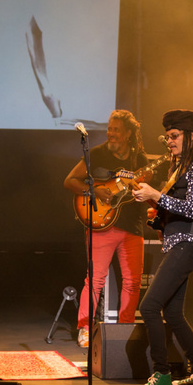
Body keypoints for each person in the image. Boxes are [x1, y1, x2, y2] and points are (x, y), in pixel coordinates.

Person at [126, 109, 193, 385]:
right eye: (167, 137)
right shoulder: (180, 168)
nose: (169, 141)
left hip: (189, 244)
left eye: (174, 136)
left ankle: (162, 374)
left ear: (191, 136)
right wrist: (155, 211)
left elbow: (192, 209)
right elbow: (175, 208)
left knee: (150, 307)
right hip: (179, 244)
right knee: (173, 313)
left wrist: (155, 195)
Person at [64, 109, 151, 348]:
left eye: (116, 130)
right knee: (95, 280)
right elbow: (70, 180)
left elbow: (145, 191)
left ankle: (125, 329)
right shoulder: (98, 154)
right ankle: (84, 328)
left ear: (129, 134)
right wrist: (94, 191)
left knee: (133, 282)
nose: (110, 134)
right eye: (109, 129)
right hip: (101, 226)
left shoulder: (139, 160)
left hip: (132, 226)